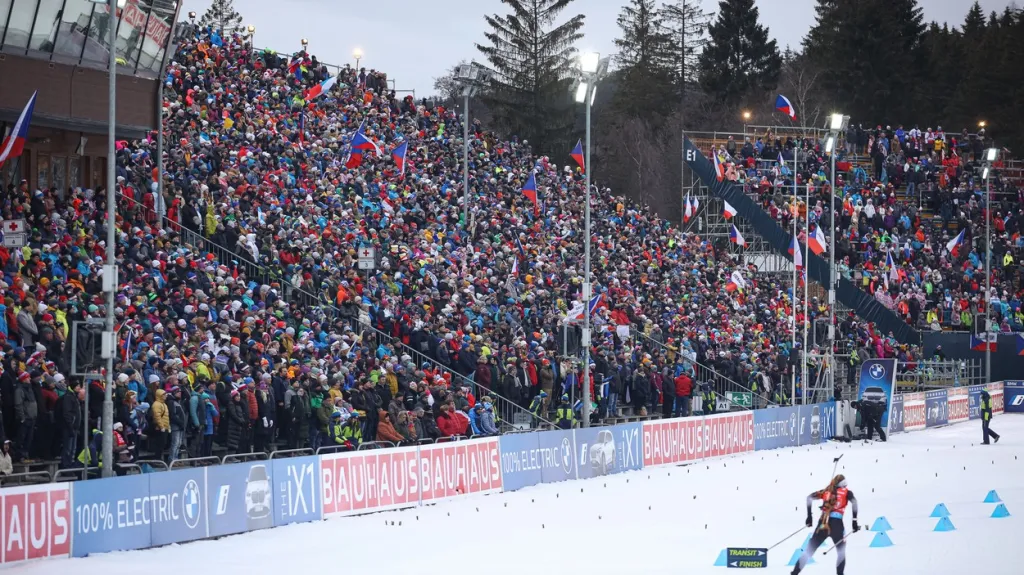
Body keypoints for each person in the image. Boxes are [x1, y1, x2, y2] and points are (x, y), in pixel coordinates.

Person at [791, 474, 859, 575]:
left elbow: (809, 498)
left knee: (809, 551)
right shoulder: (847, 492)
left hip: (822, 525)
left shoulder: (826, 491)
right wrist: (854, 520)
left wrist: (809, 517)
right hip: (837, 525)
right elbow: (854, 502)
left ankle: (794, 573)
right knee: (841, 552)